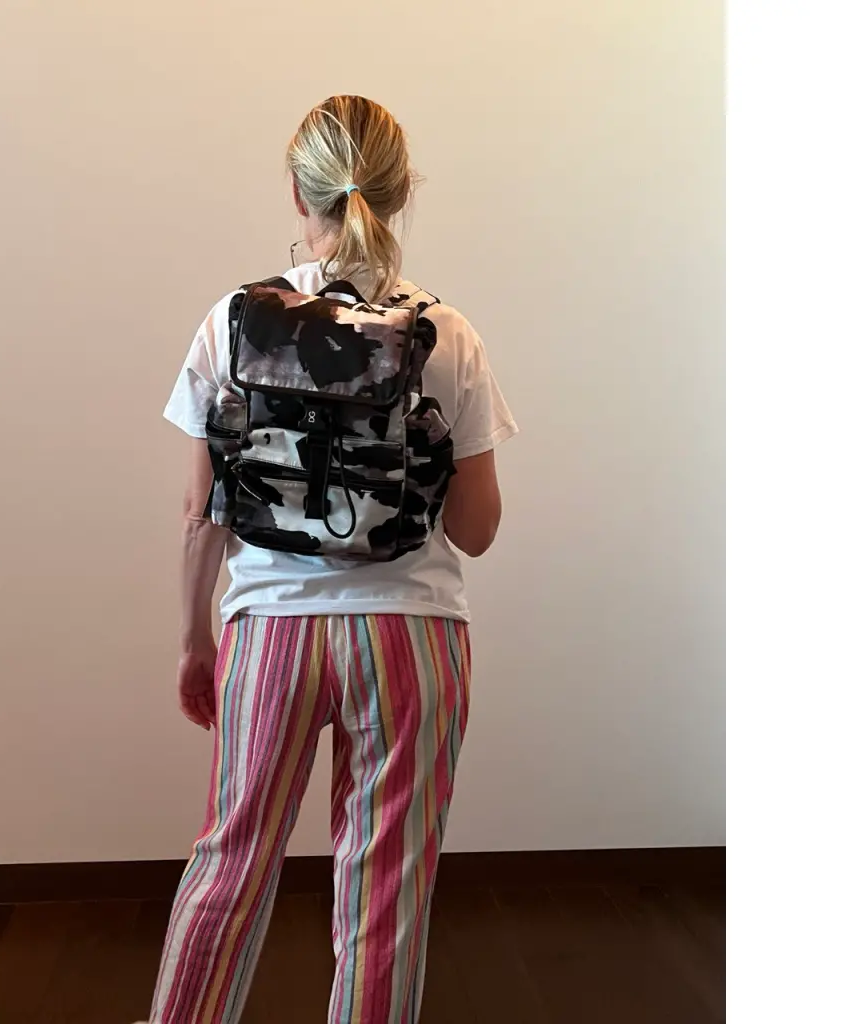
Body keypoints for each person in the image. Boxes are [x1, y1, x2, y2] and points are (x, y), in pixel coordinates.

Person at [146, 95, 517, 1024]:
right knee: (385, 885)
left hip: (270, 630)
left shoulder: (232, 320)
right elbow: (476, 530)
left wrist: (196, 642)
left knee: (230, 862)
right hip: (412, 637)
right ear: (400, 192)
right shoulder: (448, 333)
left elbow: (201, 515)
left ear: (297, 190)